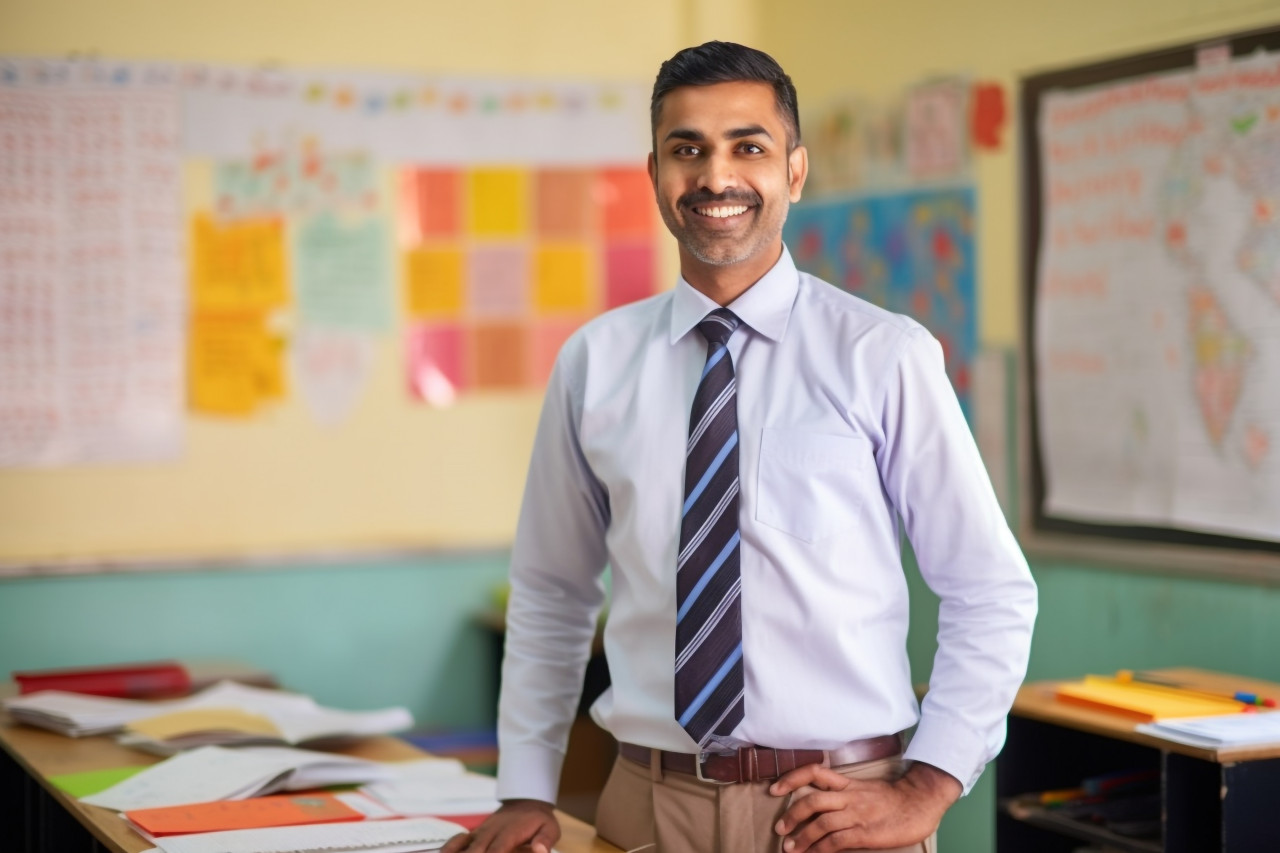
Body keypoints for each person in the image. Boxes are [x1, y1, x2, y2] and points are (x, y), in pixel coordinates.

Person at [443, 41, 1037, 853]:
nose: (715, 177)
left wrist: (929, 786)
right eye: (688, 150)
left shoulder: (883, 354)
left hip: (838, 810)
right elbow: (551, 592)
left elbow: (989, 590)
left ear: (794, 171)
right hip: (645, 804)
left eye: (747, 147)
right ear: (655, 173)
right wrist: (523, 787)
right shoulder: (595, 362)